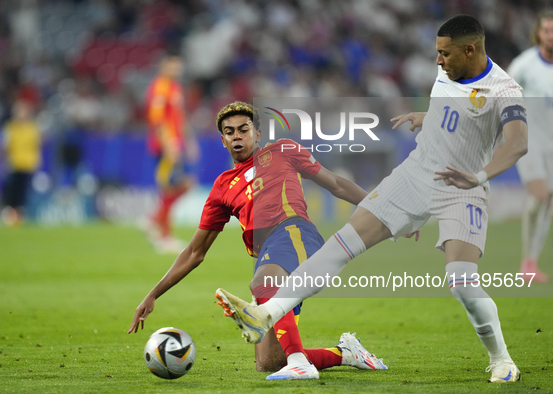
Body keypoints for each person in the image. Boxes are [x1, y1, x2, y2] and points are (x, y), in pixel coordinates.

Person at [215, 15, 528, 384]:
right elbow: (458, 111)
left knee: (461, 280)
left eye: (444, 54)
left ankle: (502, 359)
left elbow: (517, 143)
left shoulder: (505, 90)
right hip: (415, 175)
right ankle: (266, 314)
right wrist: (426, 117)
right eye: (437, 54)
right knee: (339, 245)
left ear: (470, 49)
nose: (438, 62)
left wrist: (477, 177)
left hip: (464, 187)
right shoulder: (450, 72)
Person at [128, 101, 388, 380]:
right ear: (223, 140)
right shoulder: (222, 187)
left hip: (294, 233)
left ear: (258, 134)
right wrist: (153, 293)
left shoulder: (283, 151)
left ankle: (299, 362)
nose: (237, 136)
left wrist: (384, 211)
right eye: (230, 132)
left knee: (263, 283)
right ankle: (346, 353)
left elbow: (335, 184)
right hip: (268, 257)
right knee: (271, 362)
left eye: (244, 129)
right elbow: (194, 252)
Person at [507, 9, 553, 283]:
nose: (551, 35)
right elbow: (503, 93)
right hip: (528, 140)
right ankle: (528, 263)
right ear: (538, 33)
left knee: (547, 201)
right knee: (541, 195)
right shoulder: (524, 65)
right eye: (547, 30)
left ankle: (530, 262)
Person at [144, 54, 194, 253]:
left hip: (176, 143)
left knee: (181, 186)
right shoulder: (160, 87)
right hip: (165, 146)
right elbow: (157, 120)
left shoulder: (175, 88)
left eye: (178, 65)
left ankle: (155, 221)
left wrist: (189, 142)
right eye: (172, 65)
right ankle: (163, 234)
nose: (176, 69)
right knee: (171, 187)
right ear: (164, 65)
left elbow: (179, 118)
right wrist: (168, 144)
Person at [1, 99, 42, 226]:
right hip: (14, 164)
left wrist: (37, 160)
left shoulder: (32, 128)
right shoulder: (10, 127)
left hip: (27, 164)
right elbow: (4, 146)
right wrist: (5, 161)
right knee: (12, 192)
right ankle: (11, 215)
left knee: (23, 192)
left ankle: (19, 216)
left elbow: (35, 146)